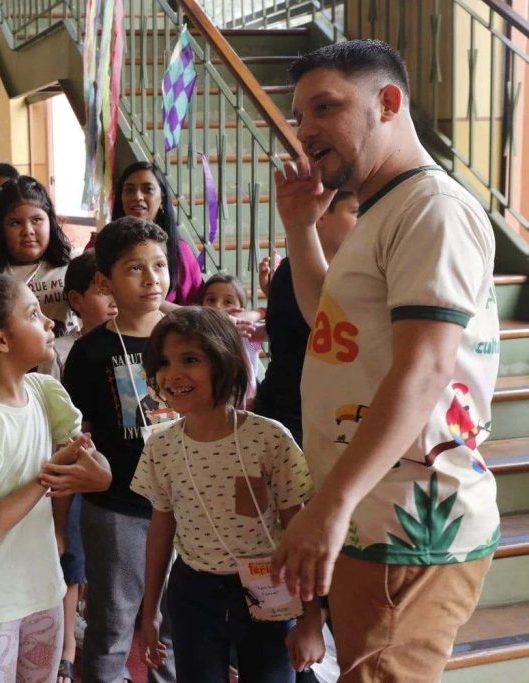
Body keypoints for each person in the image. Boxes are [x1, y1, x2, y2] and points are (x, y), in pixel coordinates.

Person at [271, 40, 500, 682]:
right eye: (299, 116)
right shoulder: (383, 207)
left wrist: (331, 504)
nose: (307, 130)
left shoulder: (432, 209)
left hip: (408, 522)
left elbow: (424, 371)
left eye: (325, 107)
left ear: (388, 102)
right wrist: (299, 227)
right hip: (375, 513)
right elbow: (333, 327)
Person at [132, 307, 322, 681]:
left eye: (190, 360)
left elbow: (299, 532)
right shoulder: (161, 448)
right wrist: (150, 610)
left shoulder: (269, 439)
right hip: (192, 592)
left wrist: (312, 620)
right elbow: (160, 530)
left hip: (269, 585)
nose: (173, 374)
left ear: (226, 362)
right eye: (164, 363)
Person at [0, 273, 111, 682]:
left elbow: (98, 472)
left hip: (43, 582)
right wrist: (50, 475)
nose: (50, 322)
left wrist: (91, 468)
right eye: (34, 314)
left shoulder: (43, 391)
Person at [61, 216, 177, 683]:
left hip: (184, 506)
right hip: (117, 511)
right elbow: (77, 438)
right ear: (106, 281)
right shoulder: (90, 353)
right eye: (135, 269)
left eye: (159, 265)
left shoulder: (187, 338)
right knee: (112, 623)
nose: (152, 278)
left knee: (174, 623)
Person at [54, 248, 117, 683]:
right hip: (74, 471)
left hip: (118, 475)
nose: (112, 296)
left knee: (108, 571)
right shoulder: (60, 349)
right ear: (76, 299)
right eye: (101, 288)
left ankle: (99, 638)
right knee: (73, 560)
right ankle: (67, 651)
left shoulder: (143, 343)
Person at [255, 191, 357, 443]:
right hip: (294, 418)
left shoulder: (347, 272)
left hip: (314, 413)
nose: (365, 222)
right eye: (356, 212)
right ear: (321, 217)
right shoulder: (294, 274)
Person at [0, 176, 77, 339]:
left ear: (50, 222)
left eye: (36, 220)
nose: (28, 230)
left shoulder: (74, 264)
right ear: (0, 230)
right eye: (15, 223)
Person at [112, 161, 203, 307]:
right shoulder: (100, 246)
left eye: (147, 189)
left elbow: (194, 311)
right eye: (129, 190)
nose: (137, 196)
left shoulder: (180, 251)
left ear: (162, 199)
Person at [199, 273, 265, 395]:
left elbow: (276, 328)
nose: (217, 306)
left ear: (241, 309)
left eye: (228, 301)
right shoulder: (196, 333)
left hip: (245, 406)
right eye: (211, 300)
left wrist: (258, 312)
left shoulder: (246, 331)